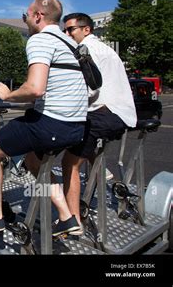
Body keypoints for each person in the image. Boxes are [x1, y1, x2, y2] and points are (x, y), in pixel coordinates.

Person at [0, 0, 88, 237]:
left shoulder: (40, 40)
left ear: (37, 16)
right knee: (33, 161)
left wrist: (7, 94)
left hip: (50, 125)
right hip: (76, 126)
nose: (25, 21)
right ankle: (66, 217)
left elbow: (35, 88)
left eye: (25, 16)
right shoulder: (71, 43)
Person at [56, 13, 137, 232]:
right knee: (79, 134)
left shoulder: (87, 50)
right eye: (65, 29)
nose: (67, 33)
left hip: (108, 112)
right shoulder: (101, 48)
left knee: (68, 162)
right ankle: (102, 171)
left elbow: (91, 90)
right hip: (117, 112)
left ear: (86, 30)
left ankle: (72, 220)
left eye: (70, 29)